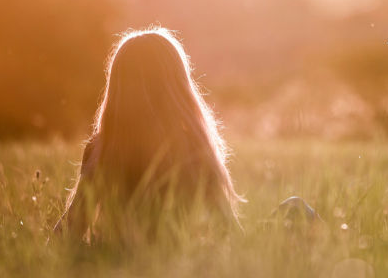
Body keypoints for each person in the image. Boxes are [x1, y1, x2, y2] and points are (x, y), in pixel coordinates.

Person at [53, 28, 244, 243]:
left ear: (117, 89)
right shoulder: (193, 148)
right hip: (183, 265)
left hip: (117, 263)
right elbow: (229, 231)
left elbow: (70, 230)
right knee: (290, 206)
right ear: (177, 87)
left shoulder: (102, 148)